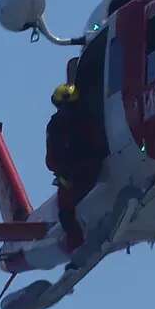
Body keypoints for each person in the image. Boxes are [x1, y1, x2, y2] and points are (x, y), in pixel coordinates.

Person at [45, 83, 106, 252]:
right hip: (88, 170)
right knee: (65, 212)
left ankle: (77, 246)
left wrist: (62, 171)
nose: (65, 110)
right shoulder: (88, 118)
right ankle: (78, 245)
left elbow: (51, 158)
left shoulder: (56, 125)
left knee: (65, 212)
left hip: (79, 172)